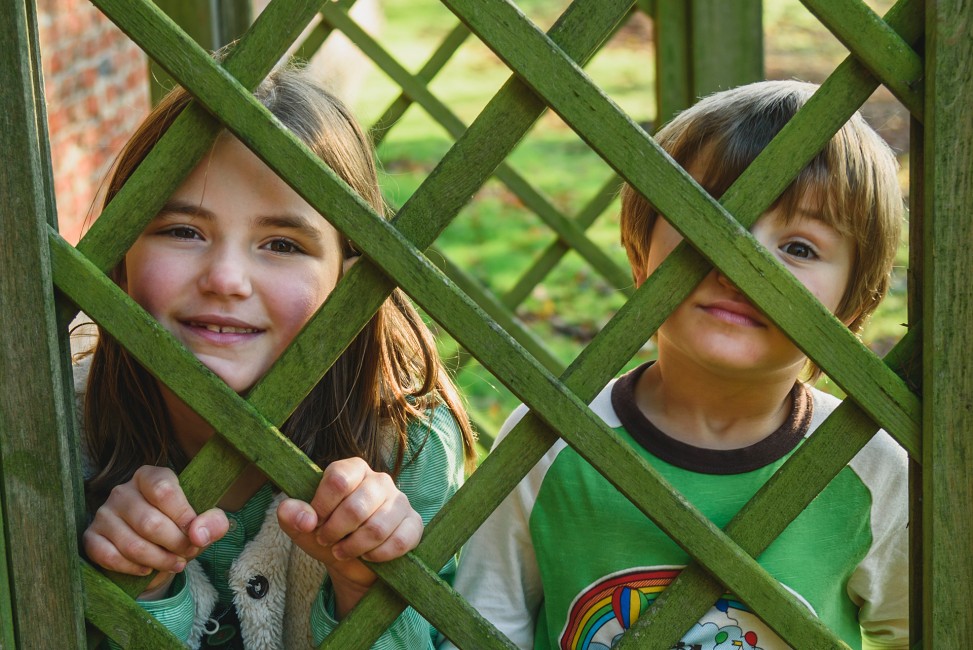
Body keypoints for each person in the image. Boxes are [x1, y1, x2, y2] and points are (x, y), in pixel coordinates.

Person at [444, 80, 908, 649]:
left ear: (852, 304)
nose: (740, 264)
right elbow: (488, 623)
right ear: (641, 253)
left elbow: (917, 629)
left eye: (799, 248)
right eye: (708, 218)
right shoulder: (550, 442)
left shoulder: (872, 469)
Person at [77, 64, 476, 650]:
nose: (226, 279)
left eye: (283, 244)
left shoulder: (405, 444)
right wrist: (145, 593)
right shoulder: (64, 427)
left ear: (349, 278)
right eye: (184, 230)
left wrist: (365, 591)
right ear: (119, 248)